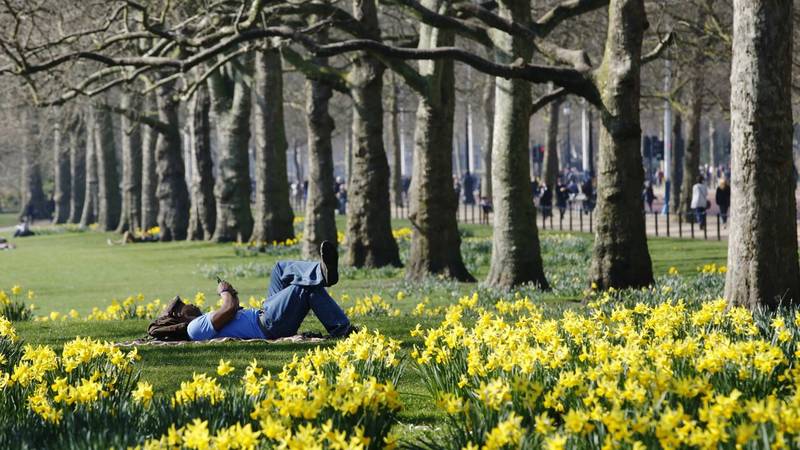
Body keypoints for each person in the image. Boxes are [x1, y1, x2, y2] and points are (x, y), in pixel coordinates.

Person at [186, 241, 356, 341]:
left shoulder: (202, 323)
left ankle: (322, 272)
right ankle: (342, 329)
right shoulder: (193, 328)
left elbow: (232, 309)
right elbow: (229, 308)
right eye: (182, 306)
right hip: (267, 325)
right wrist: (224, 291)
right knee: (304, 287)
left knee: (279, 269)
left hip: (265, 314)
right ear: (179, 316)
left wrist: (232, 295)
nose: (189, 303)